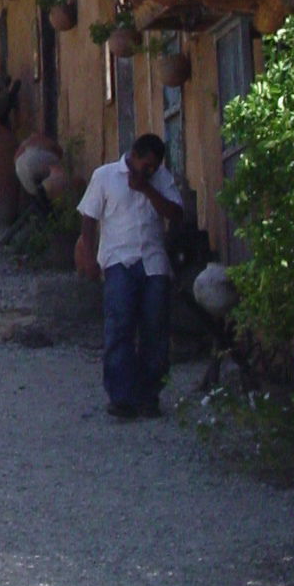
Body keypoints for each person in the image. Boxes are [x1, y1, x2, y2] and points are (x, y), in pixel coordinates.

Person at [77, 133, 185, 420]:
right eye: (145, 165)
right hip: (118, 261)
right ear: (133, 156)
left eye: (153, 167)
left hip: (153, 263)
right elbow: (88, 218)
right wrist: (88, 256)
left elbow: (176, 214)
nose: (149, 171)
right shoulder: (105, 176)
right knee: (120, 327)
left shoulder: (160, 179)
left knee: (155, 329)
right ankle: (121, 397)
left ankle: (150, 395)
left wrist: (147, 189)